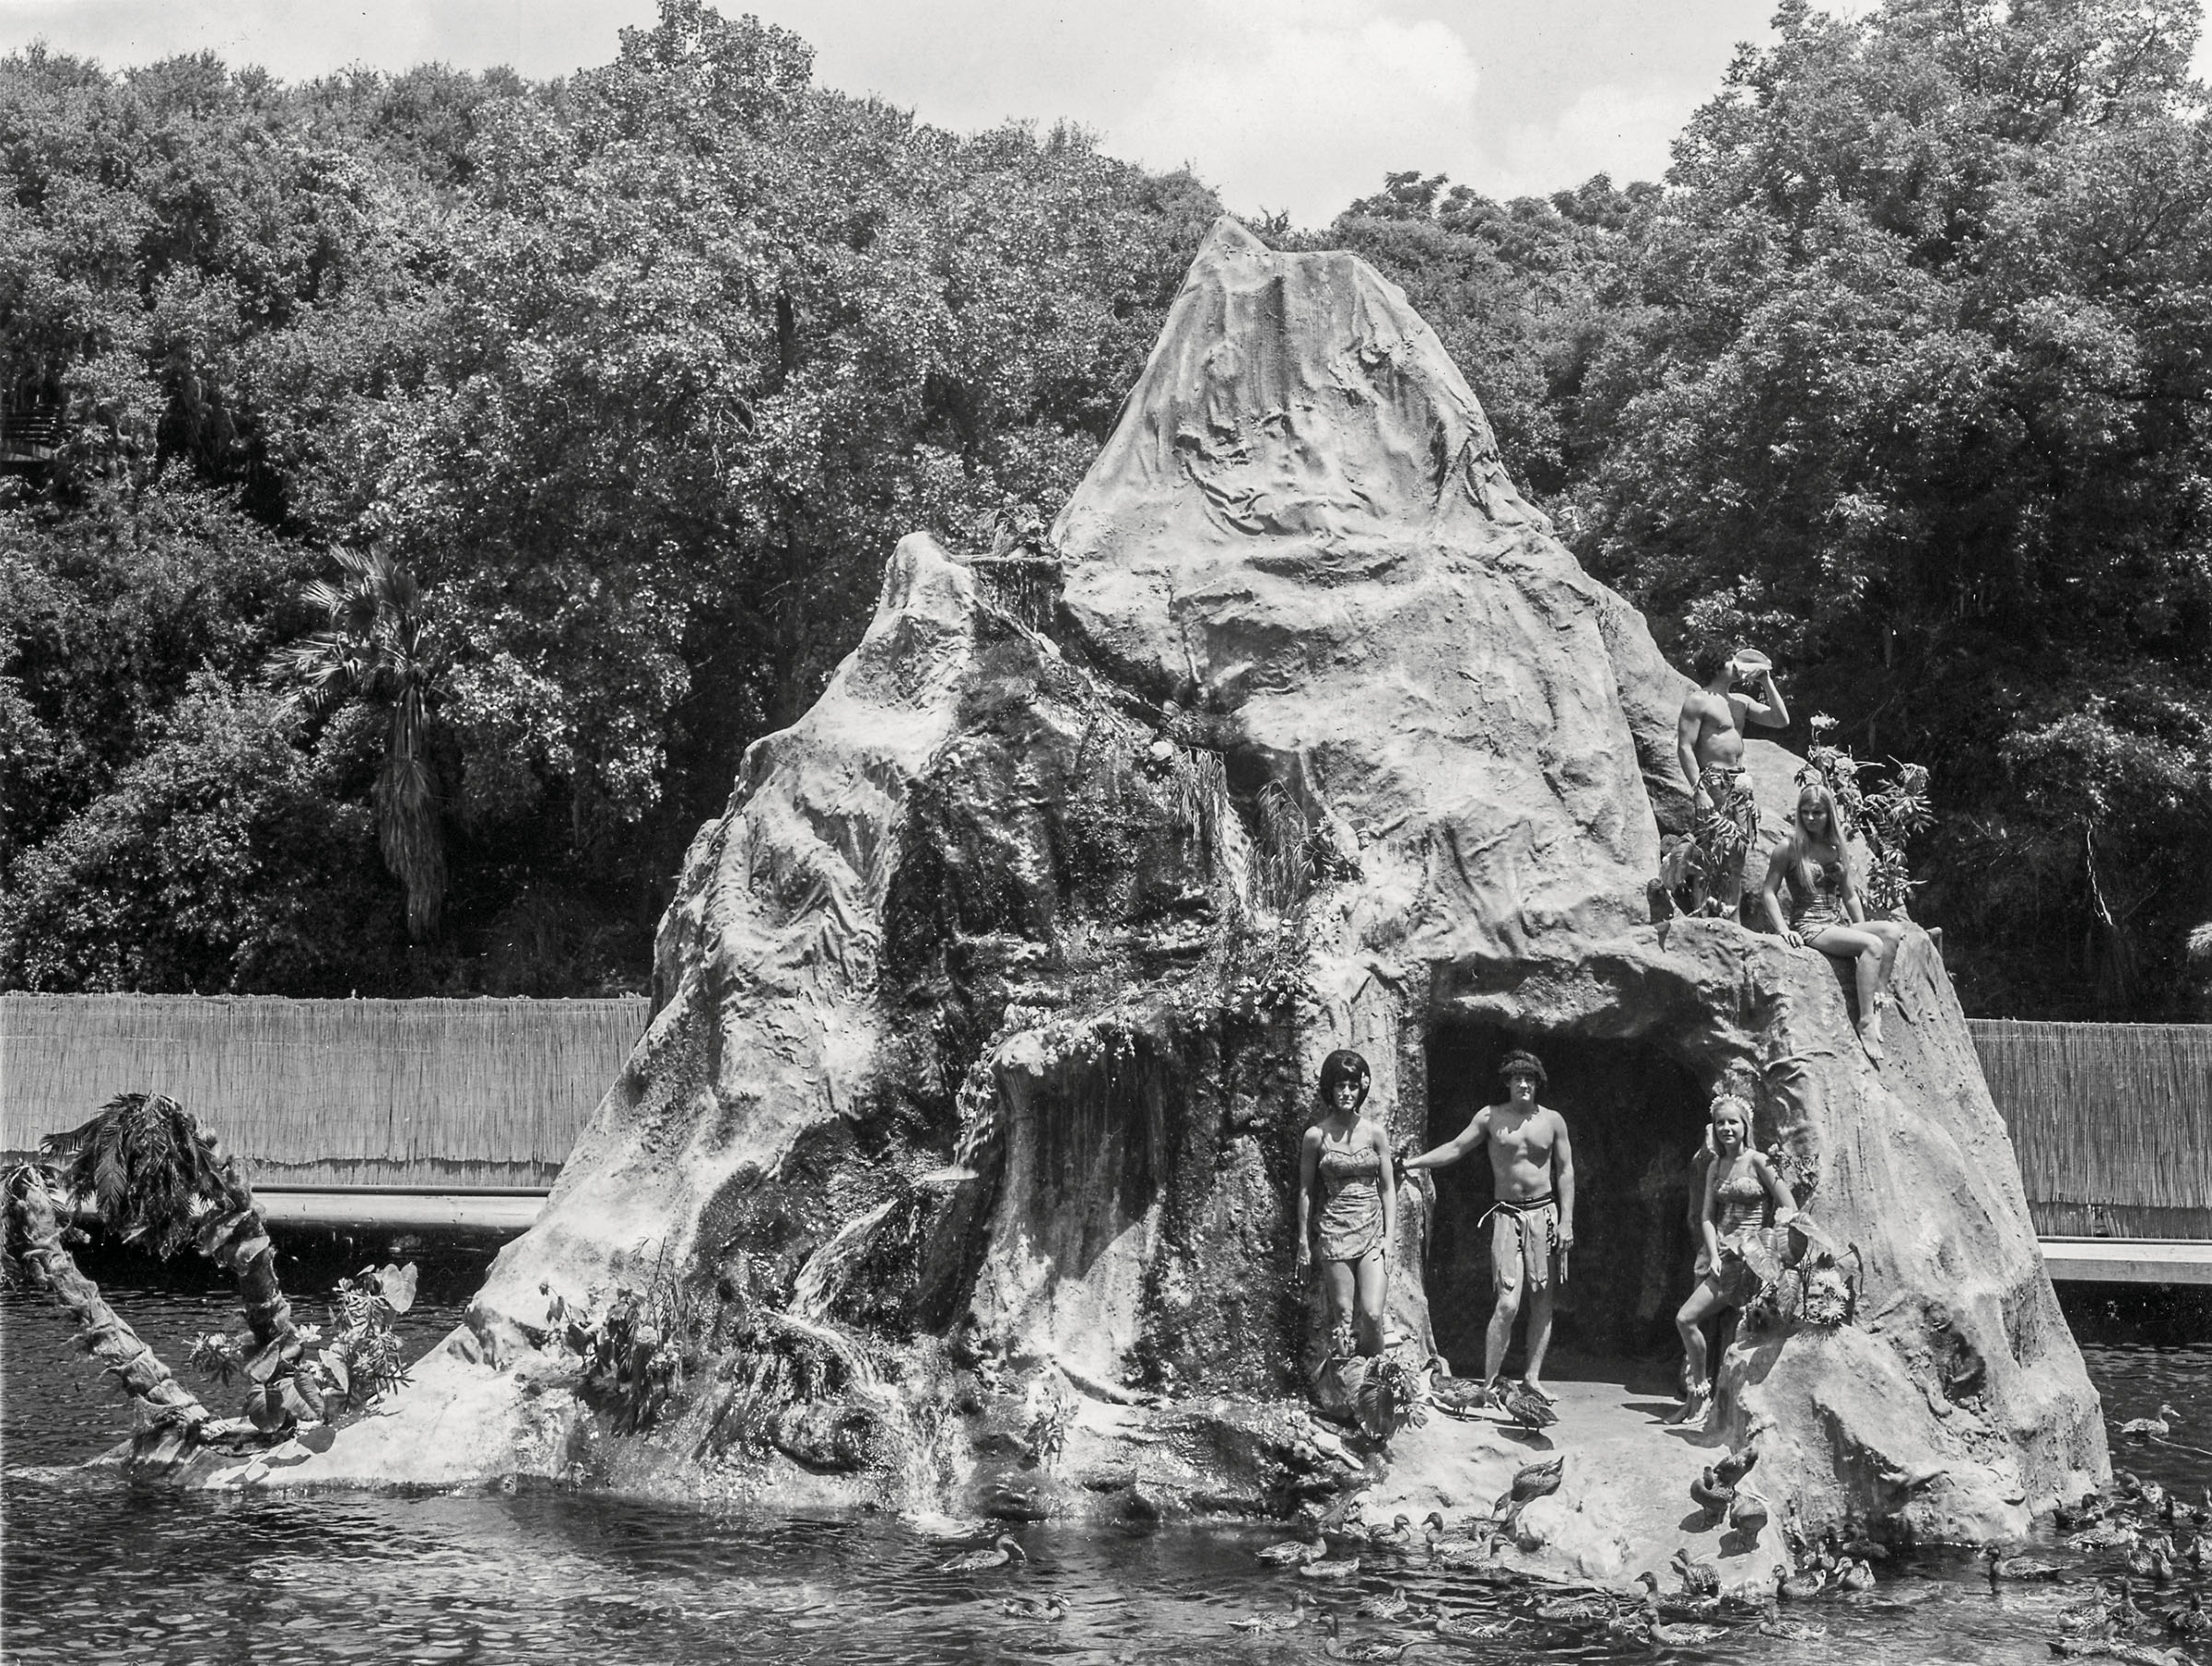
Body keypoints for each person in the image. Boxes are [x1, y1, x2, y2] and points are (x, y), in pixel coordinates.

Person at [1401, 1050, 1575, 1402]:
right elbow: (1455, 1147)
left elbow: (1566, 1170)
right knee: (1508, 1303)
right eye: (1517, 1079)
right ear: (1508, 1083)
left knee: (1542, 1300)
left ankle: (1532, 1378)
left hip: (1545, 1215)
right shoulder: (1490, 1116)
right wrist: (1412, 1163)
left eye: (1529, 1079)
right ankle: (1489, 1382)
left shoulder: (1553, 1120)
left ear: (1537, 1083)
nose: (1524, 1084)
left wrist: (1567, 1220)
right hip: (1507, 1216)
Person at [1759, 778, 1906, 1059]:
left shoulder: (1836, 848)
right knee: (1873, 946)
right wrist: (1782, 929)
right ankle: (1864, 1023)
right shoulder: (1789, 846)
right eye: (1806, 812)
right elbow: (1768, 892)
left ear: (1829, 815)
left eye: (1818, 812)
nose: (1811, 818)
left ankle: (1877, 1003)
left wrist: (1858, 928)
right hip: (1810, 926)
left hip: (1834, 922)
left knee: (1892, 931)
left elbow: (1849, 895)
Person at [1672, 1092, 1796, 1425]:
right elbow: (1707, 1216)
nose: (1726, 1128)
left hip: (1752, 1257)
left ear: (1745, 1126)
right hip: (1720, 1256)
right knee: (1686, 1319)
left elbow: (1789, 1207)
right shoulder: (1716, 1164)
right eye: (1720, 1122)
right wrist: (1713, 1252)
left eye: (1733, 1122)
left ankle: (1729, 1410)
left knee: (1739, 1332)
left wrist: (1761, 1246)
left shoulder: (1759, 1162)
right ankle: (1698, 1393)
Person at [1669, 645, 1791, 918]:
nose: (1737, 664)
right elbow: (1685, 748)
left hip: (1740, 784)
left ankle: (1731, 921)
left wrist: (1765, 680)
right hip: (1713, 782)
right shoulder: (1698, 701)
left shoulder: (1740, 701)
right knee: (1712, 854)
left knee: (1736, 857)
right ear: (1717, 666)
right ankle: (1703, 918)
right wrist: (1698, 790)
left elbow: (1780, 720)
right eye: (1730, 660)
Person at [1297, 1049, 1397, 1358]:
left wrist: (1389, 1238)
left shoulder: (1375, 1133)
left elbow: (1389, 1188)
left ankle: (1377, 1384)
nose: (1347, 1093)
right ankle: (1349, 1392)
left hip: (1371, 1231)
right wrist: (1302, 1242)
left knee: (1372, 1313)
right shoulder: (1316, 1136)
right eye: (1340, 1085)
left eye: (1353, 1086)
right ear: (1330, 1088)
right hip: (1336, 1232)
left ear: (1362, 1088)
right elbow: (1305, 1190)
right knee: (1342, 1316)